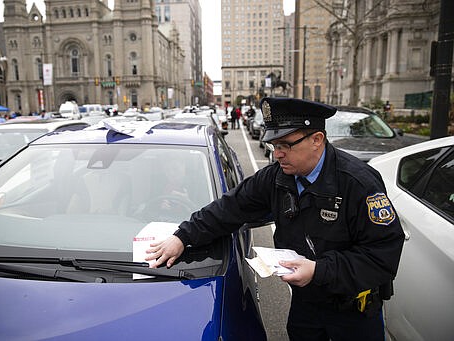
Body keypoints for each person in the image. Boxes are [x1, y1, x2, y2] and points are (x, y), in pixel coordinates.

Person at [146, 97, 405, 340]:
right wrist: (183, 236)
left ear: (317, 139)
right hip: (306, 306)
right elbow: (229, 208)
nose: (277, 154)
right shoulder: (276, 178)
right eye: (274, 146)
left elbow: (382, 256)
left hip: (354, 313)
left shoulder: (358, 182)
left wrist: (319, 270)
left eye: (285, 145)